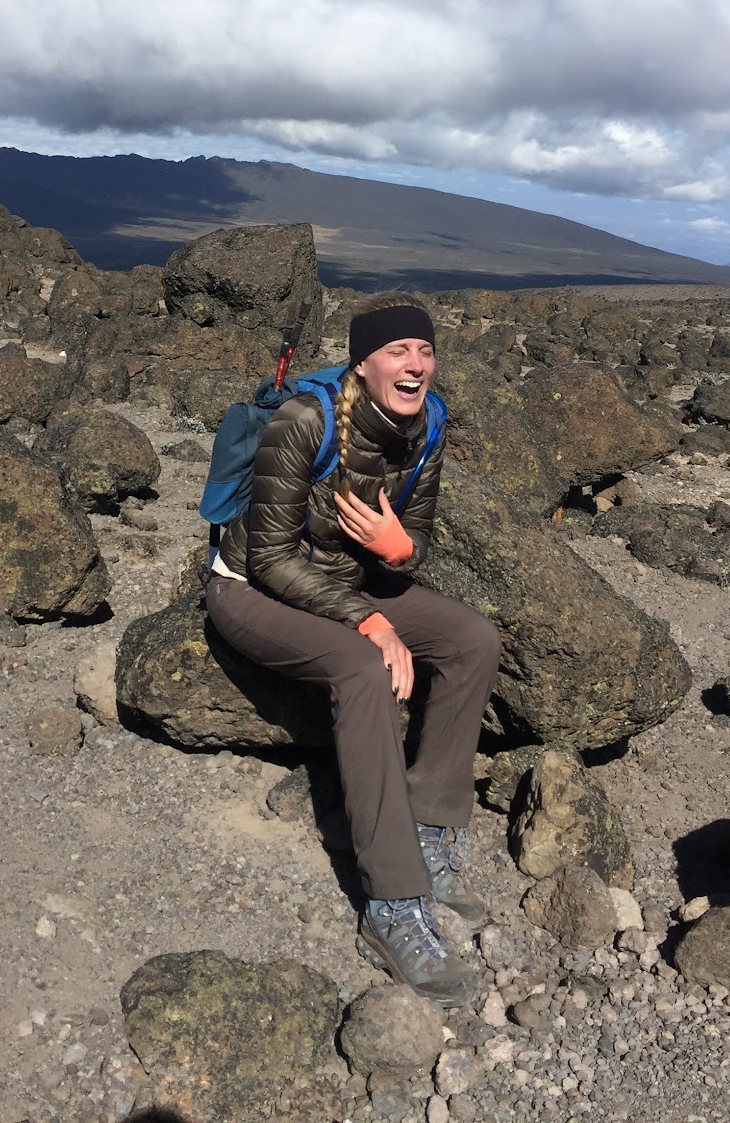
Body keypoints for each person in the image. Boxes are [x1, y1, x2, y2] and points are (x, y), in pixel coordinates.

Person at [206, 294, 502, 1006]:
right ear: (363, 363)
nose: (415, 364)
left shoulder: (428, 422)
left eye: (425, 350)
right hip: (251, 589)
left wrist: (401, 549)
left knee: (473, 640)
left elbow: (417, 536)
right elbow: (270, 558)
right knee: (363, 669)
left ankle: (431, 829)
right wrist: (367, 621)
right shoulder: (303, 423)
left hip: (348, 583)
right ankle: (393, 902)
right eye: (397, 351)